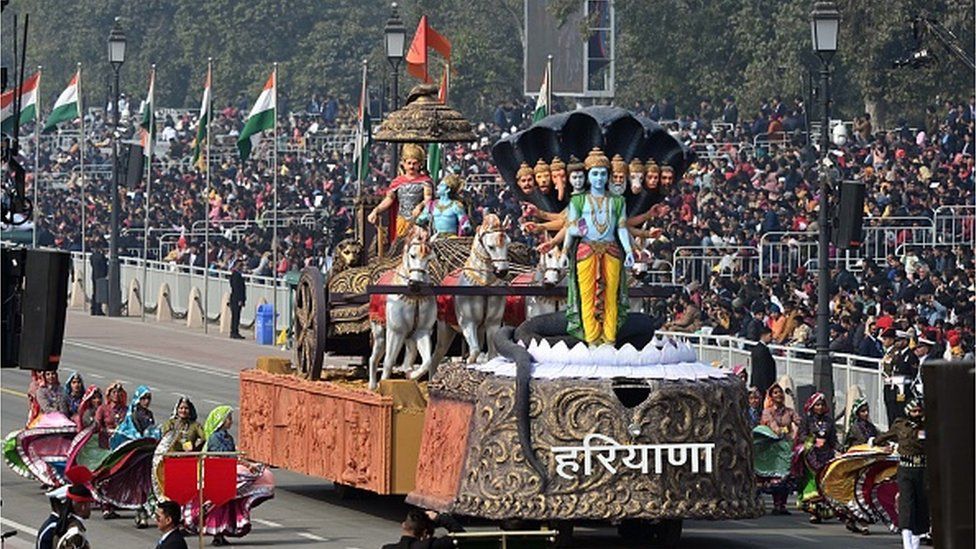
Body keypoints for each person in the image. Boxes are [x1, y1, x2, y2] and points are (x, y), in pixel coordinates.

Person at [565, 147, 635, 345]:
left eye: (603, 174)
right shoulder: (578, 200)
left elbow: (621, 228)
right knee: (587, 296)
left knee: (611, 296)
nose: (599, 178)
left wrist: (629, 251)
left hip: (611, 250)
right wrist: (577, 233)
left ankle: (610, 339)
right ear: (588, 176)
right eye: (595, 173)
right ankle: (592, 339)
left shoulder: (618, 201)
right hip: (586, 251)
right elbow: (570, 227)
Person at [186, 406, 275, 546]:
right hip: (218, 476)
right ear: (220, 421)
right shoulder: (215, 438)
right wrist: (244, 463)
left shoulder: (228, 437)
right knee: (218, 507)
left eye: (230, 418)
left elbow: (232, 455)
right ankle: (216, 534)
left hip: (227, 473)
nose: (230, 421)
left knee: (226, 506)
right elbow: (224, 457)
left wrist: (247, 463)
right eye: (228, 418)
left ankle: (220, 533)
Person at [873, 399, 929, 549]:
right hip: (905, 469)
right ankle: (907, 542)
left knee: (921, 505)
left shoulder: (928, 427)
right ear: (908, 412)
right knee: (906, 504)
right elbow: (882, 438)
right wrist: (878, 444)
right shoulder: (900, 425)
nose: (917, 414)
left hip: (922, 470)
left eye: (919, 411)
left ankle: (915, 543)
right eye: (914, 411)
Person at [367, 143, 433, 244]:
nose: (411, 166)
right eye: (409, 163)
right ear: (403, 163)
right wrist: (376, 210)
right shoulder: (397, 182)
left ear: (420, 164)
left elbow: (428, 198)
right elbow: (389, 199)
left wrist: (421, 206)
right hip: (402, 220)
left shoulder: (425, 181)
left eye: (414, 163)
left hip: (420, 220)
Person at [793, 393, 838, 523]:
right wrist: (813, 441)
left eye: (822, 405)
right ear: (812, 406)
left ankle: (822, 511)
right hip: (811, 456)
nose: (820, 407)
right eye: (817, 405)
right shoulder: (807, 421)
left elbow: (833, 439)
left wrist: (841, 449)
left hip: (826, 455)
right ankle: (813, 513)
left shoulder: (829, 421)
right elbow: (801, 436)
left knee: (824, 483)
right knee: (813, 483)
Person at [759, 383, 799, 515]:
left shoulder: (789, 411)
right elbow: (772, 424)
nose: (779, 395)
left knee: (786, 476)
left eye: (780, 392)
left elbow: (799, 421)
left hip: (787, 446)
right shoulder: (767, 411)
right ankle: (776, 504)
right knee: (776, 476)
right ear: (771, 396)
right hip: (773, 447)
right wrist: (779, 431)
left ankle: (783, 505)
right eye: (775, 393)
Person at [381, 509, 465, 549]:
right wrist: (440, 518)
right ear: (425, 533)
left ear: (403, 525)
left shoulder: (386, 548)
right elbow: (461, 537)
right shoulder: (430, 546)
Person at [95, 381, 127, 450]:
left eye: (119, 392)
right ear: (109, 394)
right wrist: (107, 431)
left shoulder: (126, 410)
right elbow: (97, 425)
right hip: (105, 441)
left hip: (120, 441)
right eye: (114, 392)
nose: (116, 394)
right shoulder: (102, 408)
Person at [750, 325, 776, 395]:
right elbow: (763, 369)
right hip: (763, 386)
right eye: (770, 336)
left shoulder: (756, 349)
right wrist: (766, 387)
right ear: (764, 335)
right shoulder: (762, 350)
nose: (771, 338)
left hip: (757, 383)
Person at [229, 264, 245, 340]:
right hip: (236, 299)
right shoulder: (236, 275)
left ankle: (234, 331)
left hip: (234, 298)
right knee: (235, 316)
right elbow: (237, 289)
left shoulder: (235, 275)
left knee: (235, 316)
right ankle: (234, 332)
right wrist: (240, 300)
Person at [90, 247, 107, 316]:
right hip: (100, 276)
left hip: (94, 275)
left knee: (94, 292)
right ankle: (98, 310)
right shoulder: (101, 257)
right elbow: (104, 266)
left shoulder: (92, 256)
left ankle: (93, 309)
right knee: (99, 293)